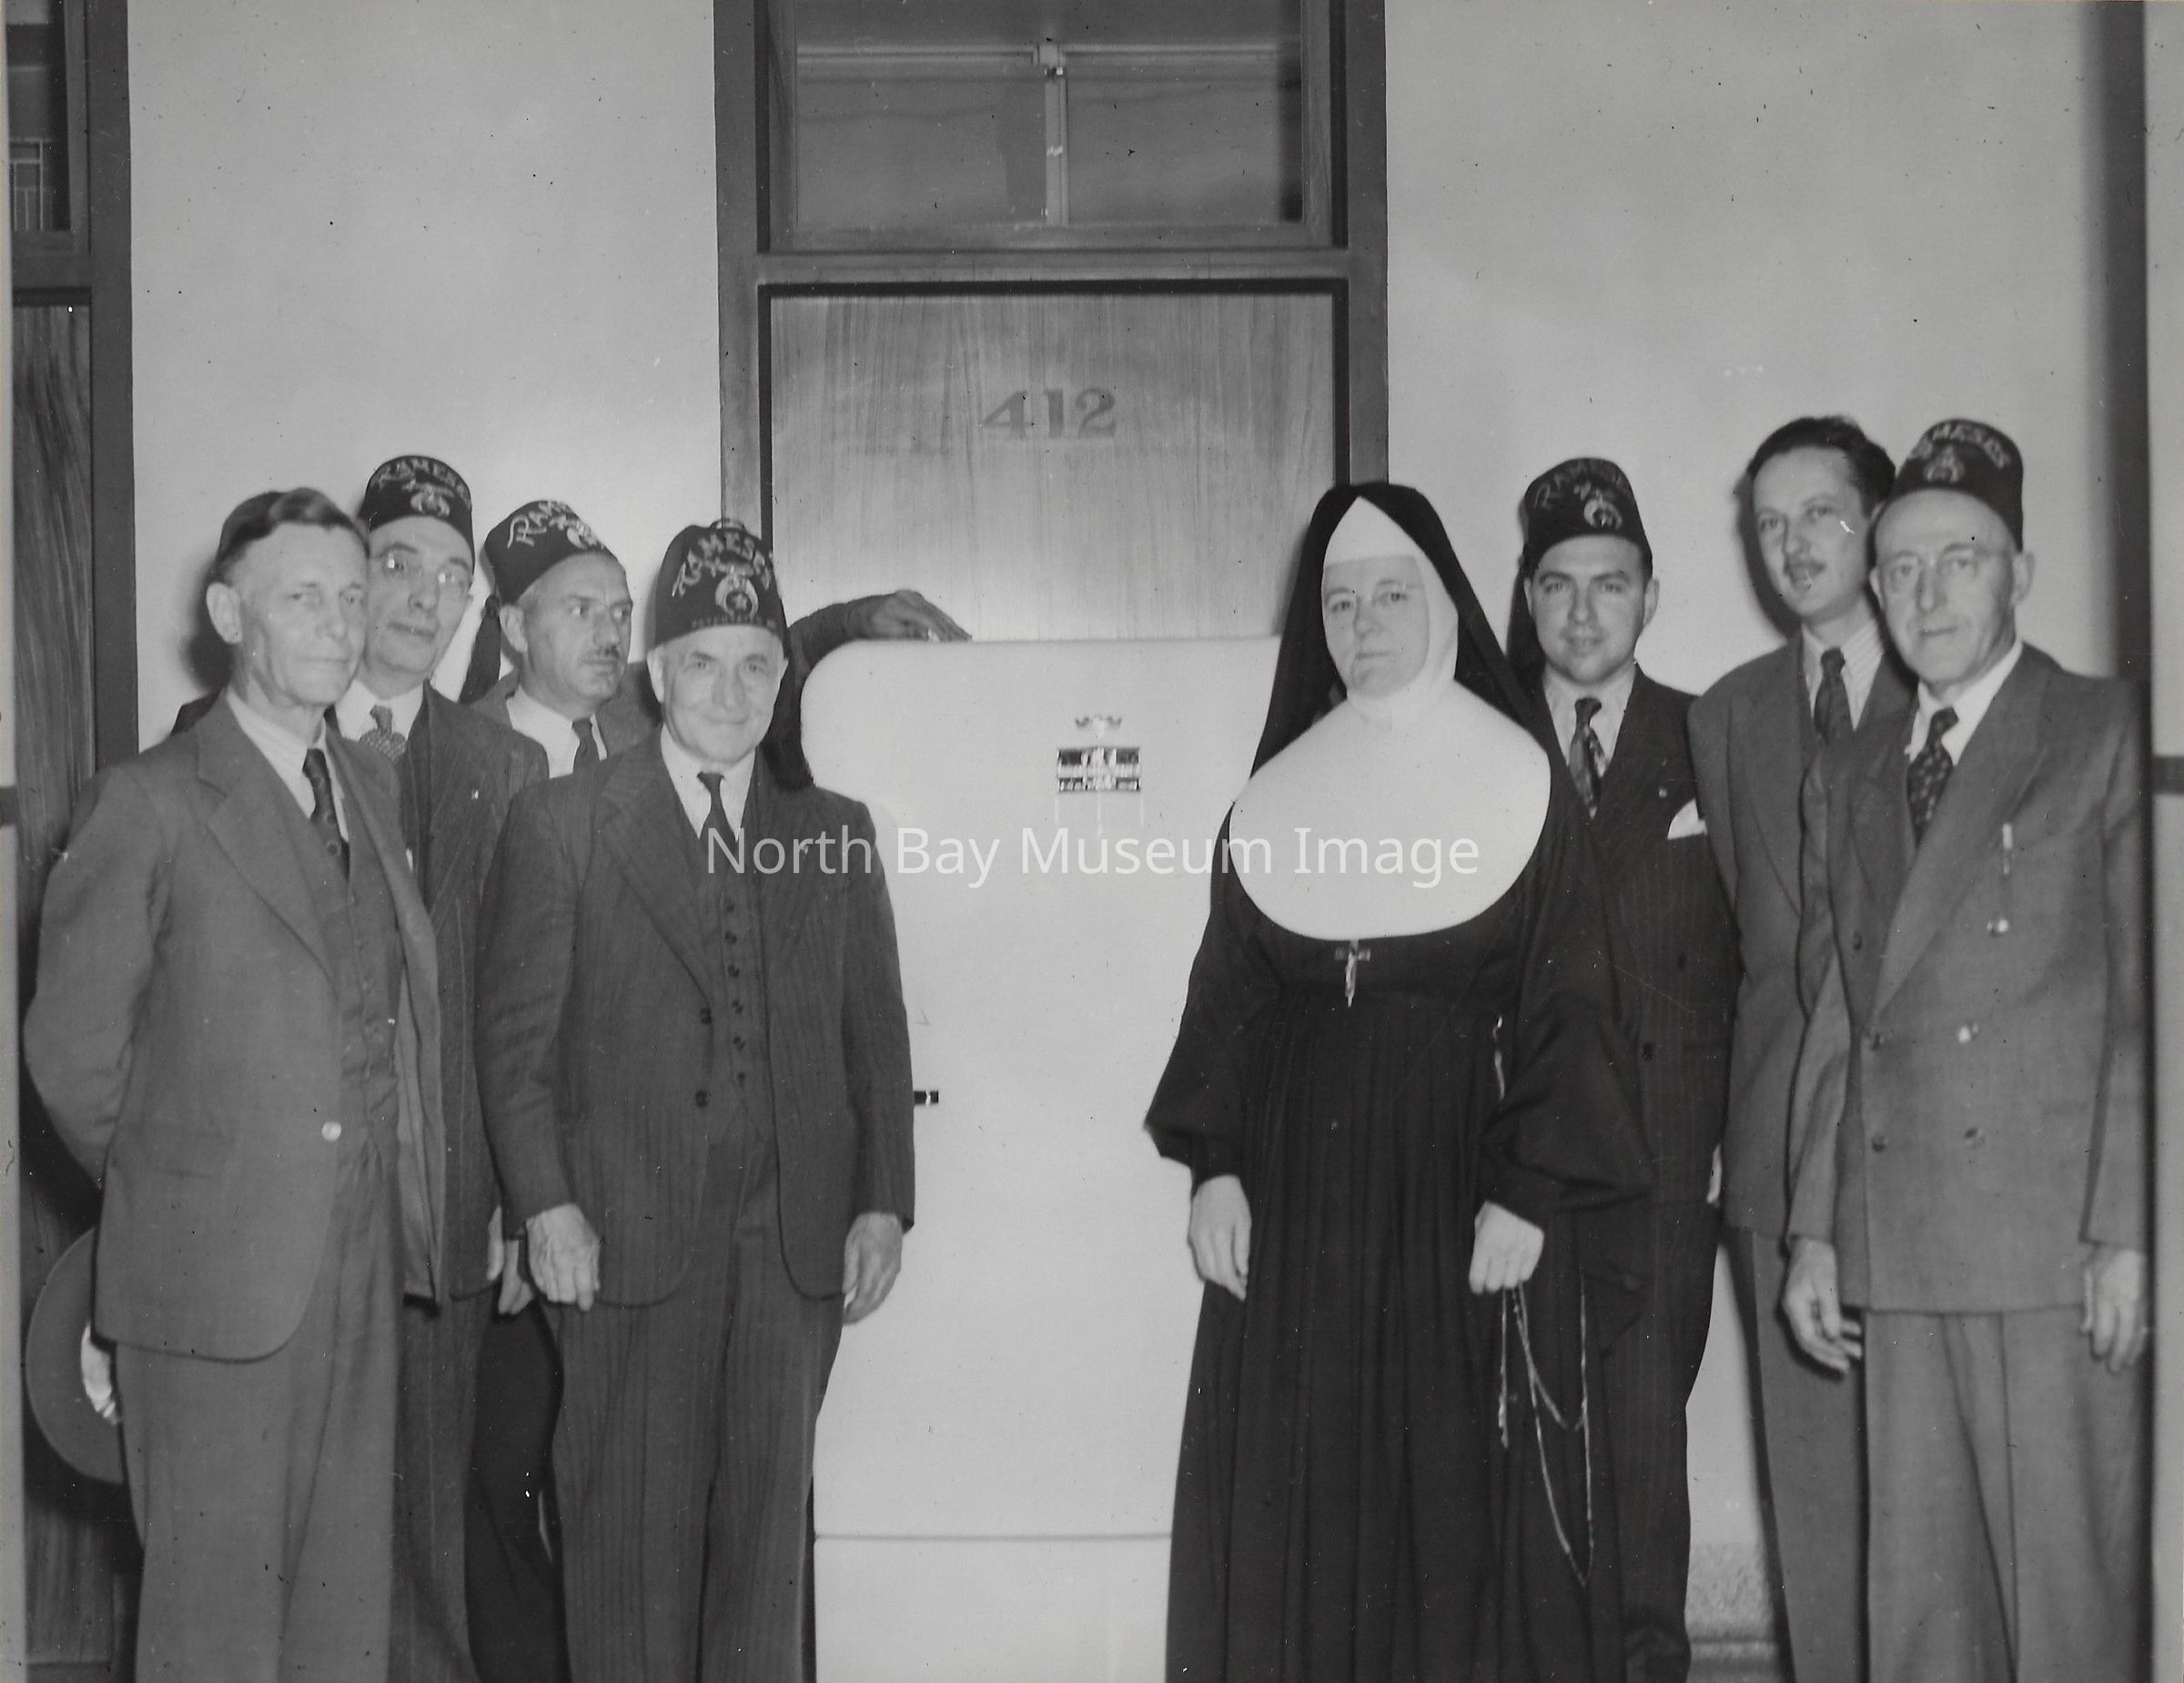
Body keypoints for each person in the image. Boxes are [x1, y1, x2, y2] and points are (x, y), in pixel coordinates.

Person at [1148, 482, 1652, 1683]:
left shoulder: (1520, 776)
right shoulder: (1275, 793)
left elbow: (1572, 1001)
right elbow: (1228, 998)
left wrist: (1529, 1189)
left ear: (1441, 604)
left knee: (1450, 1510)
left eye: (1389, 595)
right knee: (1305, 1499)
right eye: (1339, 602)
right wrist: (1216, 1168)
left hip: (1459, 1195)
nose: (1363, 624)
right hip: (1301, 1210)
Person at [459, 499, 962, 1678]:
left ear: (784, 674)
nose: (728, 692)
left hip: (792, 1251)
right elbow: (513, 1044)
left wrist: (883, 1199)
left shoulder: (832, 832)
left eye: (753, 665)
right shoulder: (566, 822)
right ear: (657, 672)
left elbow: (876, 1035)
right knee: (624, 1554)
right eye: (701, 663)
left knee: (762, 1557)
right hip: (622, 1244)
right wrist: (546, 1205)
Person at [25, 488, 446, 1682]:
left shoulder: (368, 784)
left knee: (342, 1623)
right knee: (213, 1633)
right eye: (302, 596)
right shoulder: (149, 800)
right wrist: (191, 1190)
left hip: (358, 1273)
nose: (338, 623)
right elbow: (72, 1057)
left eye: (352, 597)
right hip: (213, 1288)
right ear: (227, 614)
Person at [1781, 421, 2148, 1683]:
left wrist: (2132, 1230)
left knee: (2065, 1610)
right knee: (1921, 1619)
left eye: (1963, 561)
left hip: (2053, 1249)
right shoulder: (1852, 770)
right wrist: (1814, 1230)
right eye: (1902, 568)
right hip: (1900, 1235)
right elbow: (1843, 1011)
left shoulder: (2103, 730)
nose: (1928, 595)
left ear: (2020, 573)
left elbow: (2148, 1006)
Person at [1688, 415, 1906, 1681]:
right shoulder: (1728, 716)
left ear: (1878, 521)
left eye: (1820, 513)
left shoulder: (1950, 691)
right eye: (1770, 524)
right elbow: (1753, 945)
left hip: (1931, 1143)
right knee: (1816, 1499)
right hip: (1778, 1146)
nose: (1794, 545)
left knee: (1938, 1492)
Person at [1515, 459, 1736, 1683]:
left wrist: (1729, 1142)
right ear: (1527, 596)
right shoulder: (1481, 738)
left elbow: (1764, 958)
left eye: (1610, 583)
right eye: (1558, 584)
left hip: (1662, 1150)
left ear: (1651, 594)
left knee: (1646, 1439)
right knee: (1518, 1435)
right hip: (1517, 1157)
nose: (1584, 611)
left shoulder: (1713, 739)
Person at [331, 457, 551, 1683]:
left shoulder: (507, 768)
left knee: (434, 1531)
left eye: (451, 574)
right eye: (397, 562)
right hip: (308, 1213)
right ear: (351, 573)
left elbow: (524, 1012)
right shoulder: (258, 739)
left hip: (455, 1209)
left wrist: (521, 1199)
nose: (423, 596)